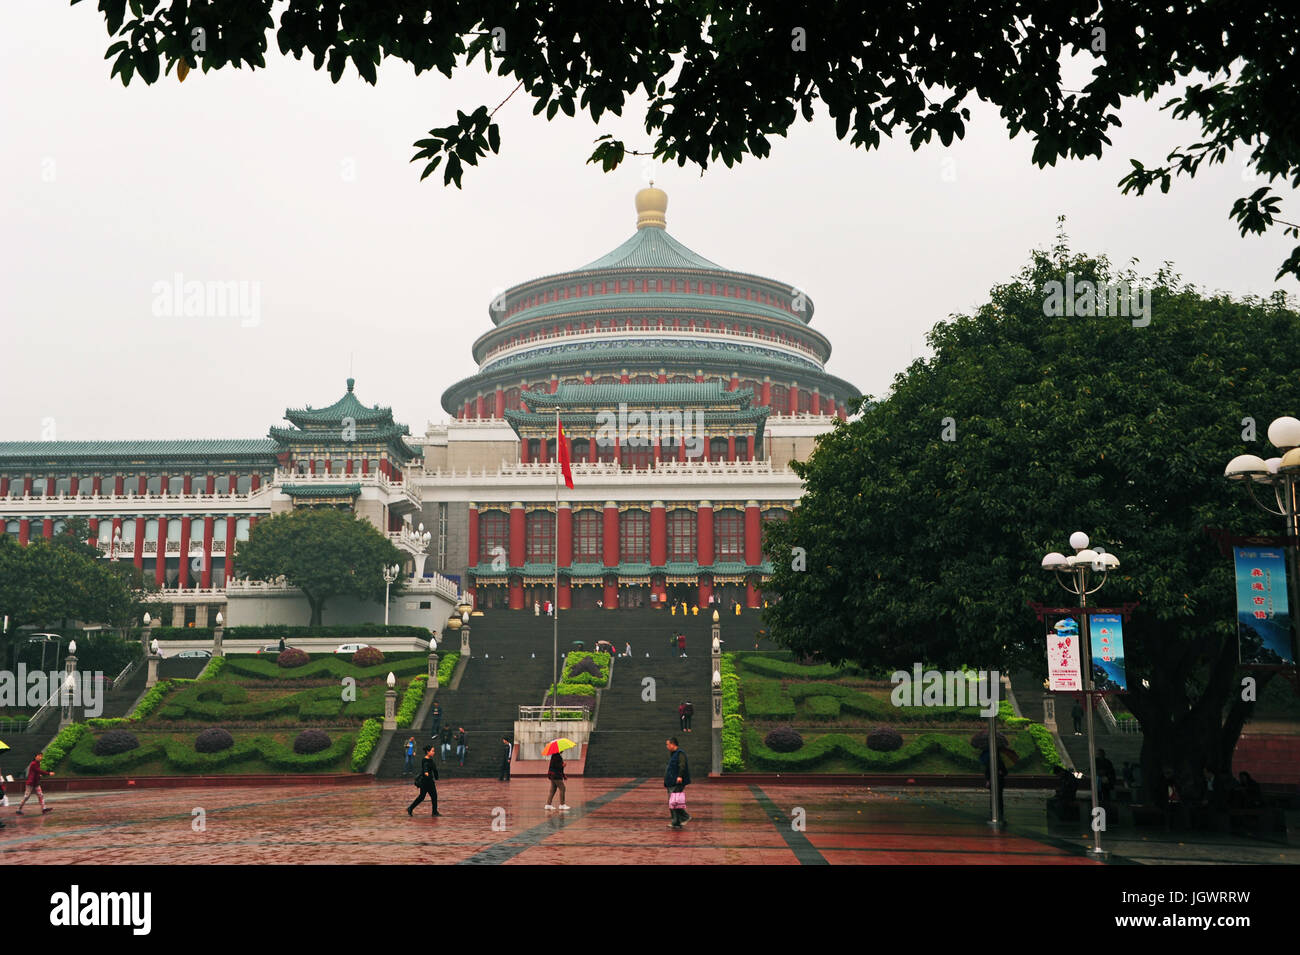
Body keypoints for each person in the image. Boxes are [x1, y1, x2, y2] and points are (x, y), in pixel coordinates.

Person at [407, 746, 441, 817]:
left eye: (433, 751)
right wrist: (427, 775)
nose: (433, 752)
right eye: (432, 751)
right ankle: (434, 812)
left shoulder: (430, 760)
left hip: (426, 782)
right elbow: (425, 769)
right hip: (427, 782)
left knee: (422, 797)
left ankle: (410, 808)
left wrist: (436, 776)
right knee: (433, 796)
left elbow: (434, 770)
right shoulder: (425, 760)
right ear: (428, 752)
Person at [665, 738, 691, 828]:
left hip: (677, 782)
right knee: (673, 802)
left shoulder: (680, 754)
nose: (667, 746)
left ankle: (685, 817)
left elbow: (682, 765)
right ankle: (676, 821)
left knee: (674, 802)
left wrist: (680, 776)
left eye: (668, 744)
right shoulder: (673, 754)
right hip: (671, 781)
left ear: (673, 744)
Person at [979, 743, 1007, 821]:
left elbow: (1005, 772)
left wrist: (1001, 772)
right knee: (994, 795)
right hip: (995, 781)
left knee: (998, 796)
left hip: (999, 781)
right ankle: (994, 809)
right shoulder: (991, 762)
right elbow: (987, 772)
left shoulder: (999, 762)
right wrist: (988, 780)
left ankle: (998, 810)